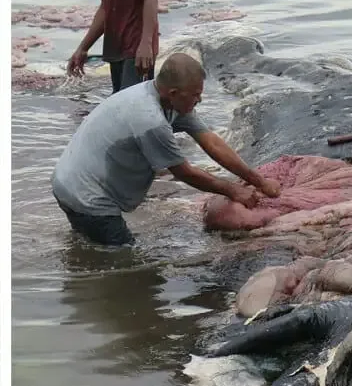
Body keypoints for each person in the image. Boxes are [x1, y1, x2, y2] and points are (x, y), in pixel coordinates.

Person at [51, 52, 281, 246]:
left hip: (67, 182)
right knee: (128, 263)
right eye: (195, 95)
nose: (199, 100)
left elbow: (212, 142)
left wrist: (258, 181)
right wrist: (233, 190)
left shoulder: (162, 98)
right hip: (88, 196)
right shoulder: (151, 121)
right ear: (173, 93)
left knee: (87, 246)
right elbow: (184, 172)